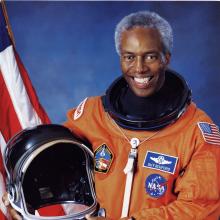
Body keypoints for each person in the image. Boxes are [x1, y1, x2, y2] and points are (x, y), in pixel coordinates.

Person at [4, 10, 220, 220]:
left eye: (151, 56)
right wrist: (20, 197)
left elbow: (203, 208)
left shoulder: (196, 132)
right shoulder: (92, 115)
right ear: (120, 57)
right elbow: (56, 160)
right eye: (129, 57)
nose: (139, 68)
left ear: (166, 58)